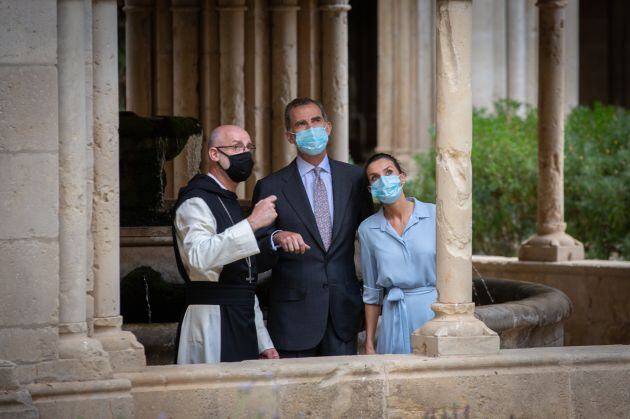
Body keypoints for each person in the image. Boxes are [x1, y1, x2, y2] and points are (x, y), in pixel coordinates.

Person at [252, 97, 373, 357]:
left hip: (343, 314)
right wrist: (275, 236)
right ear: (290, 136)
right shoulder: (270, 186)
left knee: (345, 396)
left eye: (316, 121)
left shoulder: (354, 179)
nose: (311, 129)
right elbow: (255, 254)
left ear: (328, 127)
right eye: (302, 124)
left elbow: (371, 237)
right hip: (293, 319)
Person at [172, 125, 280, 363]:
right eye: (236, 146)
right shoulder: (196, 202)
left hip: (242, 319)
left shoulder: (228, 201)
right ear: (214, 154)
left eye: (248, 147)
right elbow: (198, 258)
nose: (245, 153)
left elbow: (243, 280)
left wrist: (263, 340)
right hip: (211, 321)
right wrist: (252, 223)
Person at [358, 153, 437, 354]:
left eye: (389, 172)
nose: (383, 180)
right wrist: (369, 345)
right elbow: (372, 292)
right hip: (394, 318)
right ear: (370, 189)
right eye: (374, 178)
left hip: (434, 315)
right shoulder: (367, 229)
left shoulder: (435, 214)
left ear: (402, 177)